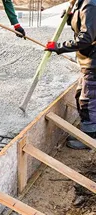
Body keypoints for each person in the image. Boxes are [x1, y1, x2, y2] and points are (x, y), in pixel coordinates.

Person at [45, 0, 96, 149]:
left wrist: (59, 47)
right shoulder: (82, 3)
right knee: (81, 94)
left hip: (93, 62)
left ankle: (90, 138)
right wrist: (70, 17)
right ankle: (88, 130)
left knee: (87, 100)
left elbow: (86, 37)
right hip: (88, 59)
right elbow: (84, 25)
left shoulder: (90, 5)